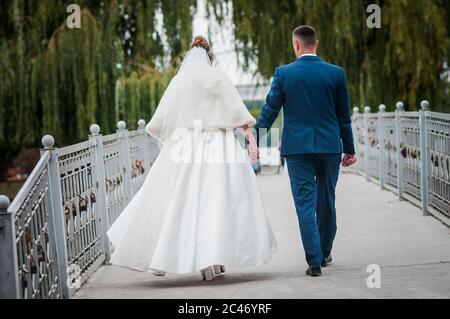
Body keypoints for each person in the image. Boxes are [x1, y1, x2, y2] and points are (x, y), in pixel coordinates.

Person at [107, 36, 277, 281]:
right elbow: (237, 114)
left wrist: (171, 140)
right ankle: (215, 261)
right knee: (219, 203)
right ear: (210, 57)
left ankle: (205, 263)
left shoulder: (180, 82)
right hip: (219, 144)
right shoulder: (218, 78)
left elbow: (158, 123)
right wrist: (251, 141)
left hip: (185, 145)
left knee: (186, 203)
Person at [255, 26, 356, 277]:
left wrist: (255, 140)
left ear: (296, 45)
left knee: (304, 203)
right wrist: (349, 149)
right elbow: (344, 117)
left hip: (298, 149)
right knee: (326, 199)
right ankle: (325, 251)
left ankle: (313, 261)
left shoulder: (284, 74)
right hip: (330, 146)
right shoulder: (336, 74)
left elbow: (270, 110)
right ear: (316, 44)